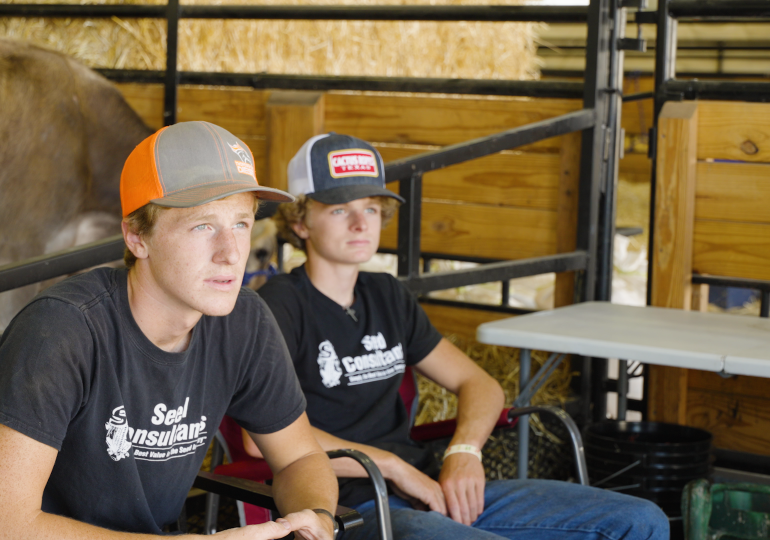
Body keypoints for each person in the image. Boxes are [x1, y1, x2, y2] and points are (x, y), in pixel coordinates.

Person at [252, 132, 670, 540]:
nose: (362, 223)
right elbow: (260, 443)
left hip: (430, 488)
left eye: (373, 208)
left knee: (640, 518)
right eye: (340, 209)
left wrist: (464, 452)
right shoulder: (278, 306)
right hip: (350, 508)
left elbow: (480, 384)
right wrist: (391, 466)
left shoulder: (387, 294)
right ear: (300, 221)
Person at [0, 122, 339, 540]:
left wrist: (314, 516)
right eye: (202, 226)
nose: (230, 254)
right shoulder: (62, 330)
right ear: (137, 237)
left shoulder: (243, 321)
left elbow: (300, 458)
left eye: (242, 223)